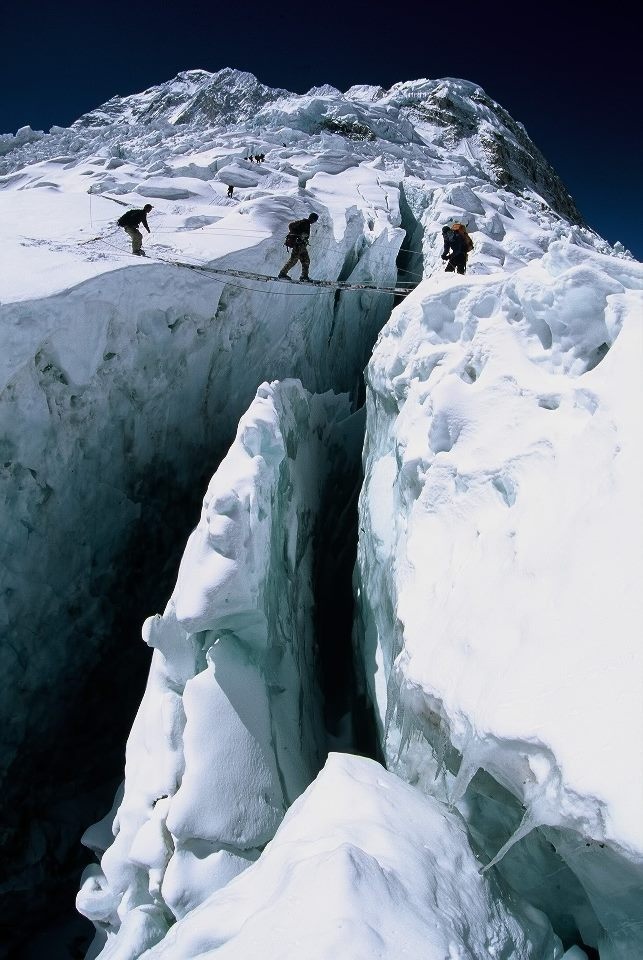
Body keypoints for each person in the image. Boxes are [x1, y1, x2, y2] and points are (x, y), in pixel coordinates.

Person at [278, 213, 319, 281]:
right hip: (298, 245)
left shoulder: (306, 223)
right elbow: (298, 232)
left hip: (302, 246)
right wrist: (301, 236)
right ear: (312, 219)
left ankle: (304, 276)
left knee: (306, 260)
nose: (314, 222)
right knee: (293, 260)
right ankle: (282, 274)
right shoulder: (304, 223)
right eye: (315, 220)